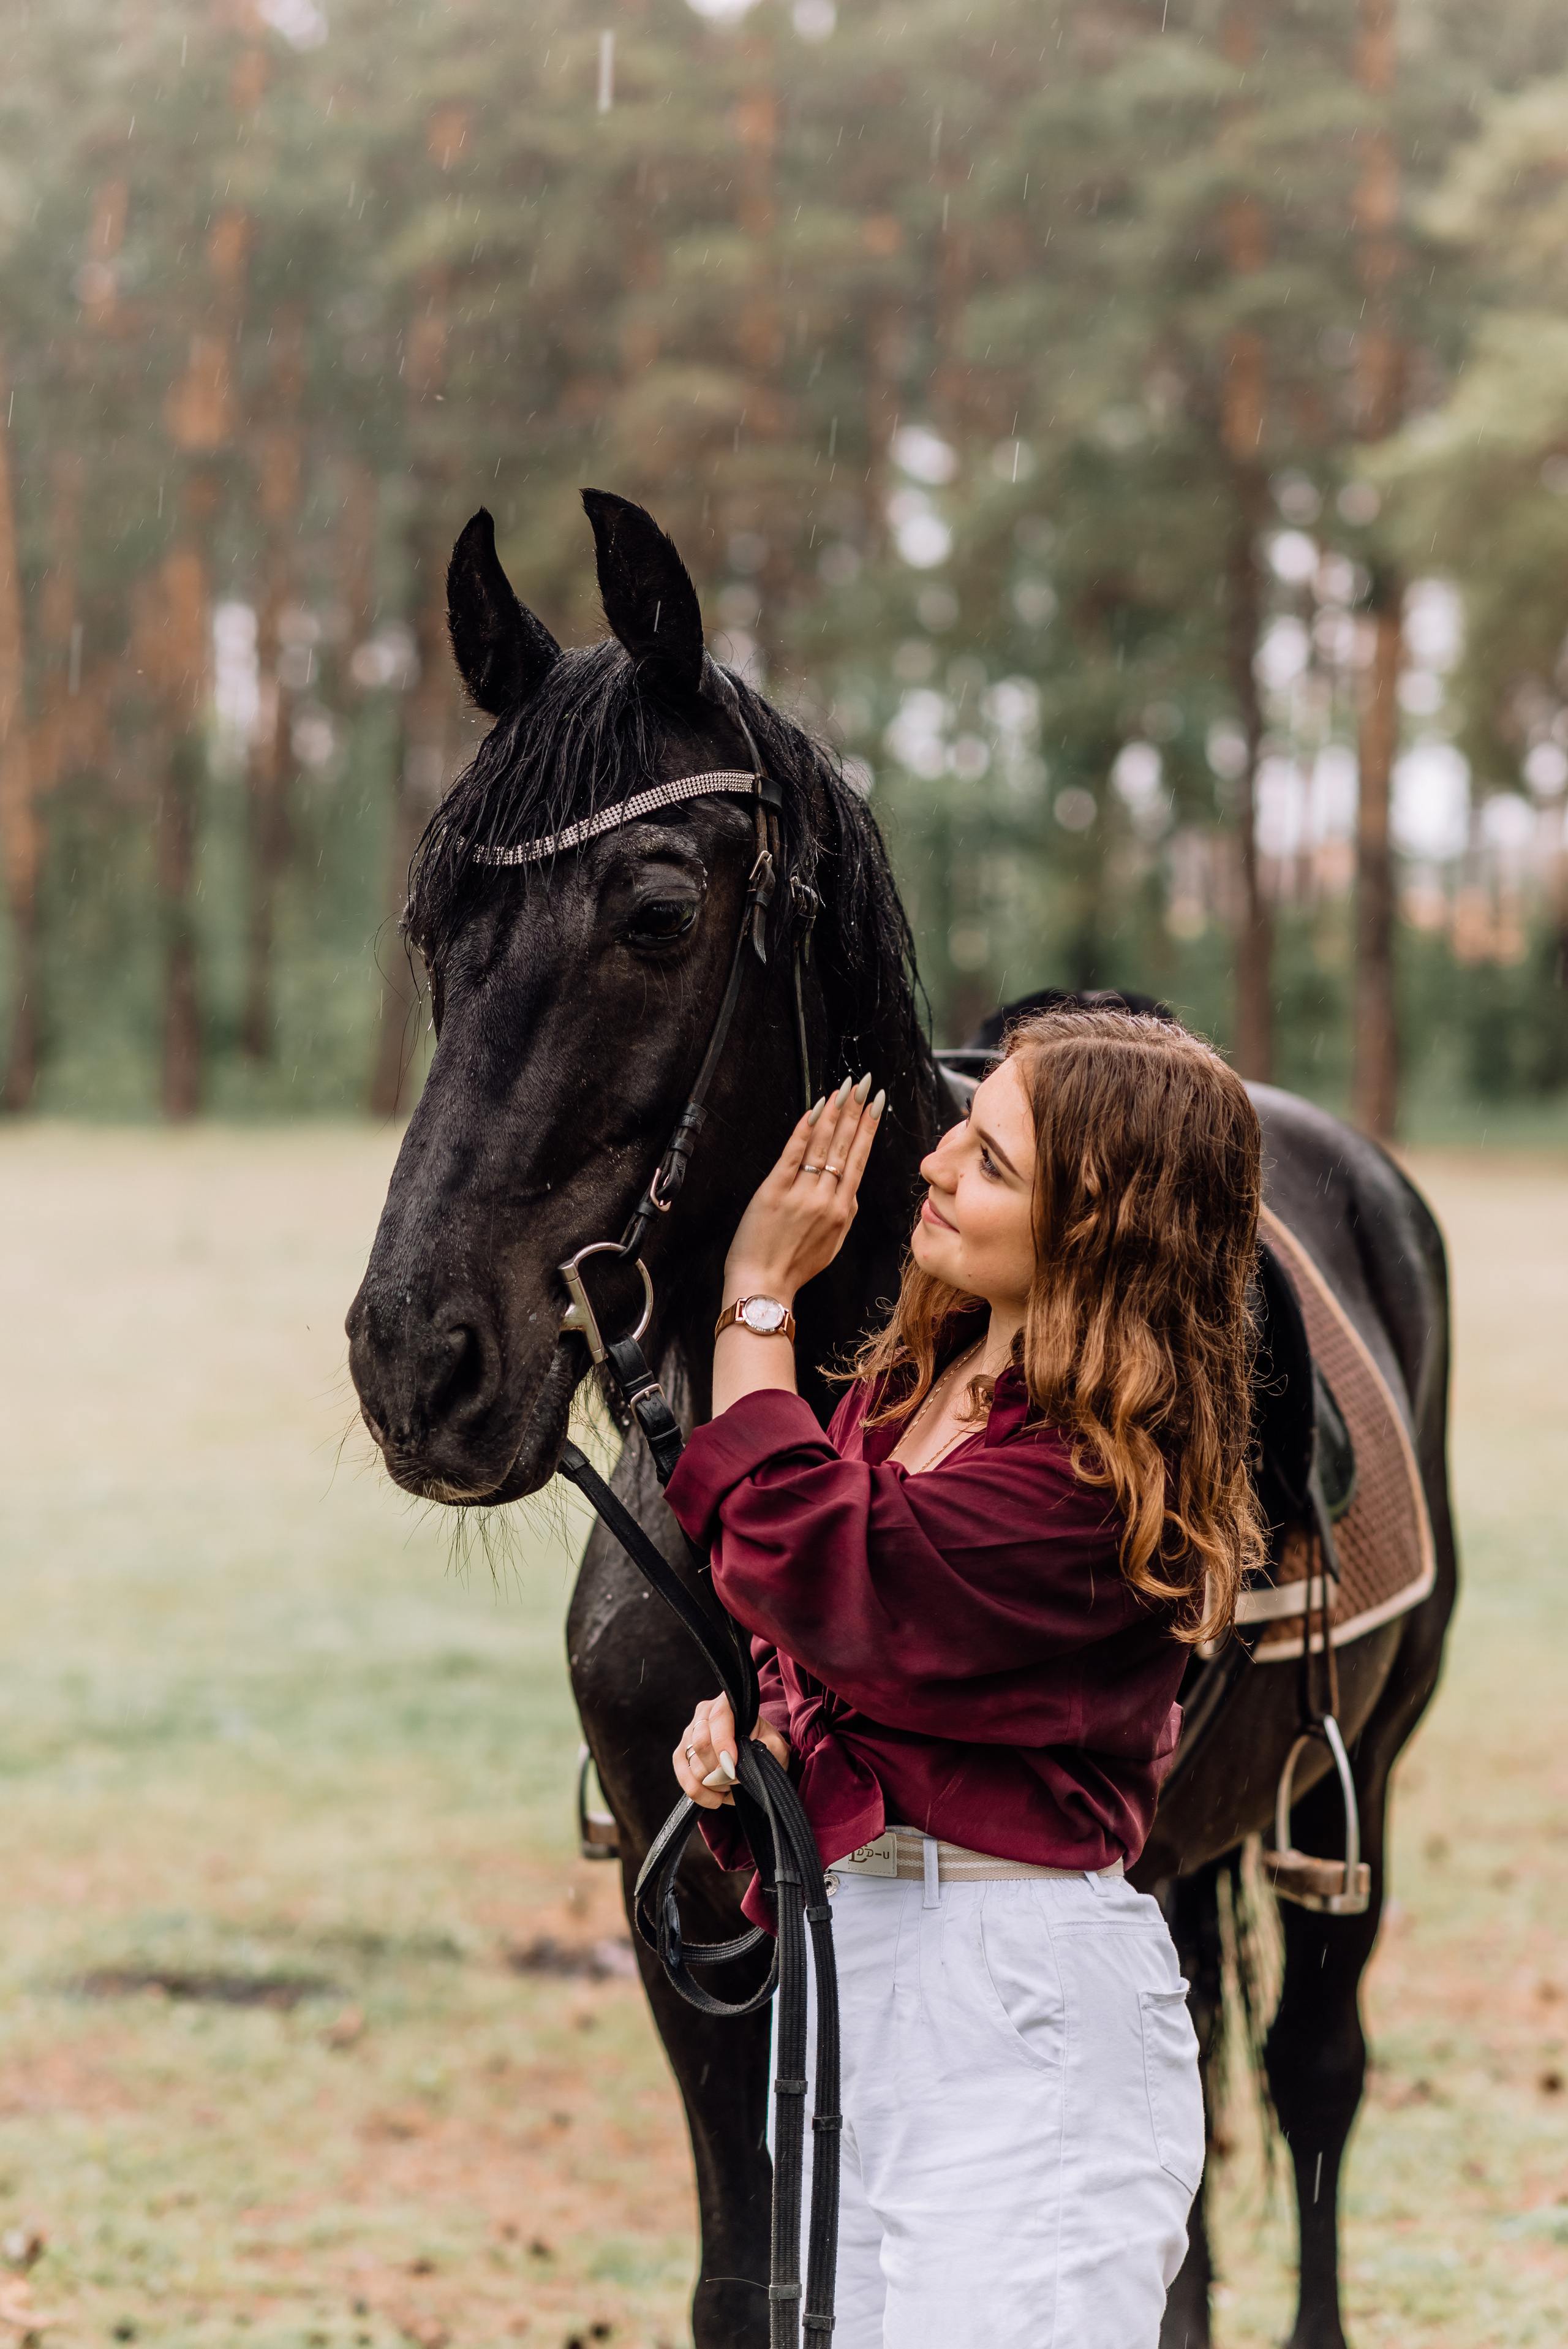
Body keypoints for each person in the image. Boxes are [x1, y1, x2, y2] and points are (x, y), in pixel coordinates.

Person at [665, 1005, 1265, 2349]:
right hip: (857, 1973)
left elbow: (807, 1551)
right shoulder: (903, 1393)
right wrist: (759, 1749)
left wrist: (757, 1296)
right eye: (960, 1133)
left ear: (1098, 1228)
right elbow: (815, 1646)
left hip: (1016, 2012)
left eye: (991, 1163)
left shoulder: (1090, 1473)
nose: (932, 1165)